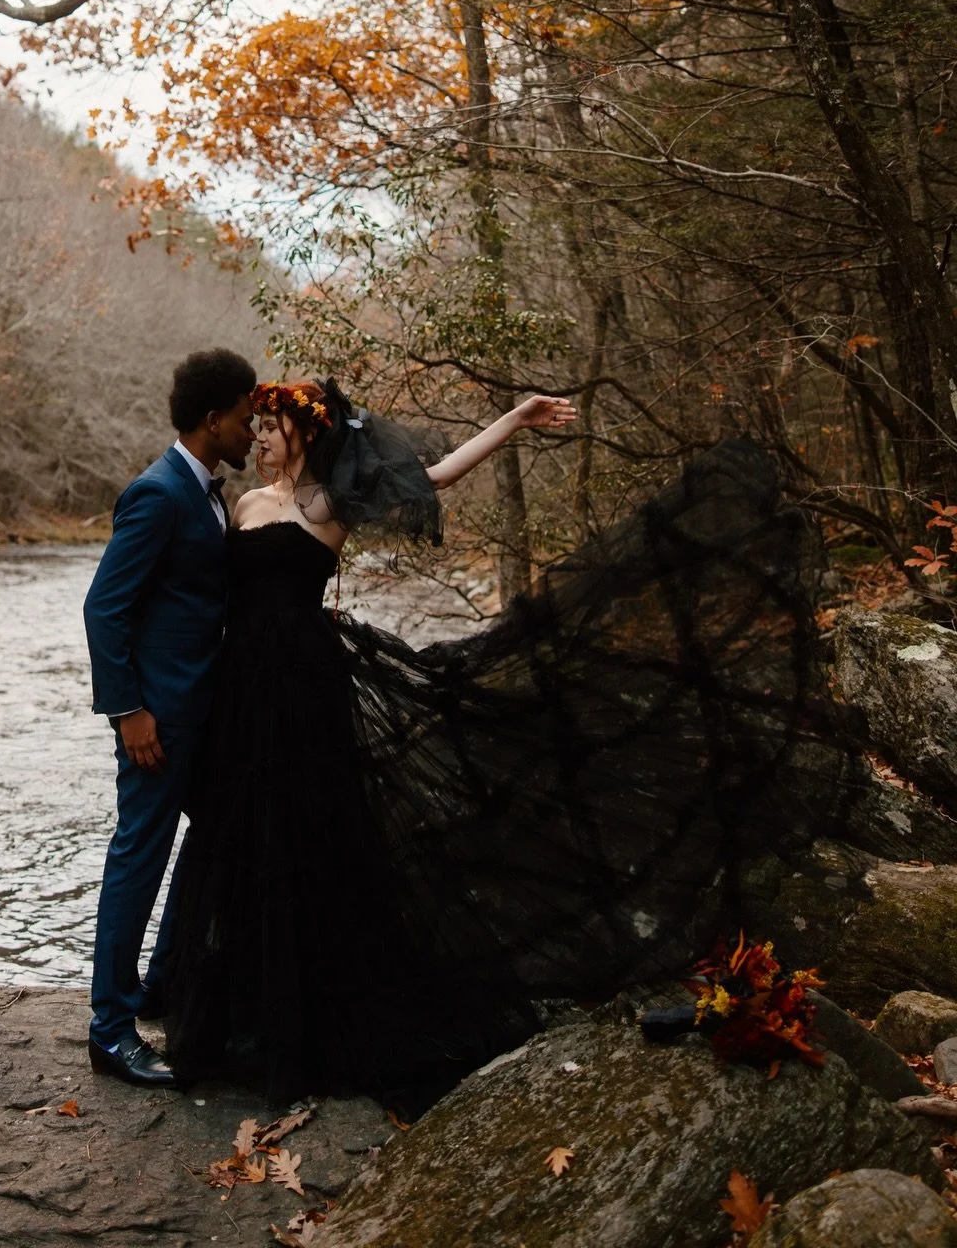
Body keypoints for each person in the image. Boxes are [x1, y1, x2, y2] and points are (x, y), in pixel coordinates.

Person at [158, 380, 864, 1111]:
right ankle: (239, 1008)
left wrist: (517, 419)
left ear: (304, 436)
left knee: (312, 839)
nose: (261, 437)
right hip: (243, 689)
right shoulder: (241, 506)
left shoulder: (333, 501)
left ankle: (307, 1023)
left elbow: (437, 474)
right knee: (241, 835)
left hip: (306, 688)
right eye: (259, 426)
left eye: (271, 427)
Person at [82, 346, 256, 1088]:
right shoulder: (156, 494)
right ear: (213, 420)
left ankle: (159, 981)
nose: (253, 431)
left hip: (205, 713)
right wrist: (129, 712)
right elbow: (104, 608)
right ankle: (111, 1030)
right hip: (157, 720)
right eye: (247, 420)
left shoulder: (210, 492)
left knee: (222, 832)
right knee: (138, 857)